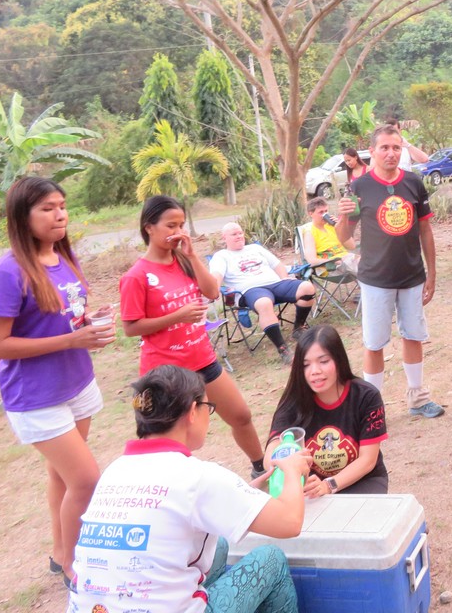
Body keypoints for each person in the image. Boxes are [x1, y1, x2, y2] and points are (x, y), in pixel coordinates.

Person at [68, 364, 311, 612]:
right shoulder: (198, 477)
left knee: (219, 546)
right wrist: (292, 470)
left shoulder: (114, 471)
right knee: (270, 559)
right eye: (209, 407)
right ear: (193, 411)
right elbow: (289, 522)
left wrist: (245, 493)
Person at [0, 176, 112, 589]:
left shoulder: (63, 257)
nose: (60, 215)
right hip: (36, 397)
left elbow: (64, 316)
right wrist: (72, 339)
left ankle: (60, 551)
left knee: (62, 475)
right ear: (23, 216)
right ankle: (73, 563)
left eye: (62, 206)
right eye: (47, 208)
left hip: (77, 382)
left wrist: (88, 323)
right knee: (86, 480)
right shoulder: (7, 272)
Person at [120, 196, 268, 478]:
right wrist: (177, 316)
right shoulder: (136, 276)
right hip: (166, 373)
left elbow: (212, 292)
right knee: (174, 441)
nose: (177, 232)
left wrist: (191, 255)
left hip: (202, 359)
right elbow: (130, 327)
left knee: (241, 416)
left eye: (181, 225)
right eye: (170, 225)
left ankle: (260, 469)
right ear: (149, 227)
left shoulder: (183, 261)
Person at [336, 124, 443, 418]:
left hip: (411, 276)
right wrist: (344, 216)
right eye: (384, 147)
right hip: (375, 278)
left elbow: (425, 230)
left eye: (396, 147)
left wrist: (431, 274)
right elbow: (343, 237)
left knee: (413, 336)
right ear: (372, 152)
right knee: (374, 343)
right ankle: (373, 409)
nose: (391, 153)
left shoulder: (413, 183)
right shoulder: (359, 187)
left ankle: (418, 398)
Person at [266, 326, 388, 495]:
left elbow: (367, 460)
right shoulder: (293, 401)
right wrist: (286, 470)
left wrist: (328, 485)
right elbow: (271, 453)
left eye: (323, 361)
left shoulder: (366, 396)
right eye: (306, 365)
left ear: (339, 360)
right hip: (310, 485)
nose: (315, 371)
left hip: (363, 480)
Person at [209, 222, 317, 362]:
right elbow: (216, 276)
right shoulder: (221, 256)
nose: (239, 236)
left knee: (307, 287)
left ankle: (299, 327)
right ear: (224, 238)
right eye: (234, 234)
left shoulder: (255, 248)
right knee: (264, 303)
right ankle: (283, 348)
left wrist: (284, 278)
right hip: (249, 290)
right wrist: (213, 290)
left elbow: (277, 265)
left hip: (275, 283)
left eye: (240, 233)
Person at [302, 196, 358, 273]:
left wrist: (340, 226)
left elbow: (352, 246)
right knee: (366, 268)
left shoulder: (332, 226)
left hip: (348, 259)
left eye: (326, 211)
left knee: (369, 263)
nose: (324, 215)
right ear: (311, 214)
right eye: (321, 212)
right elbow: (311, 261)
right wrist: (334, 261)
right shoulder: (309, 232)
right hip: (333, 266)